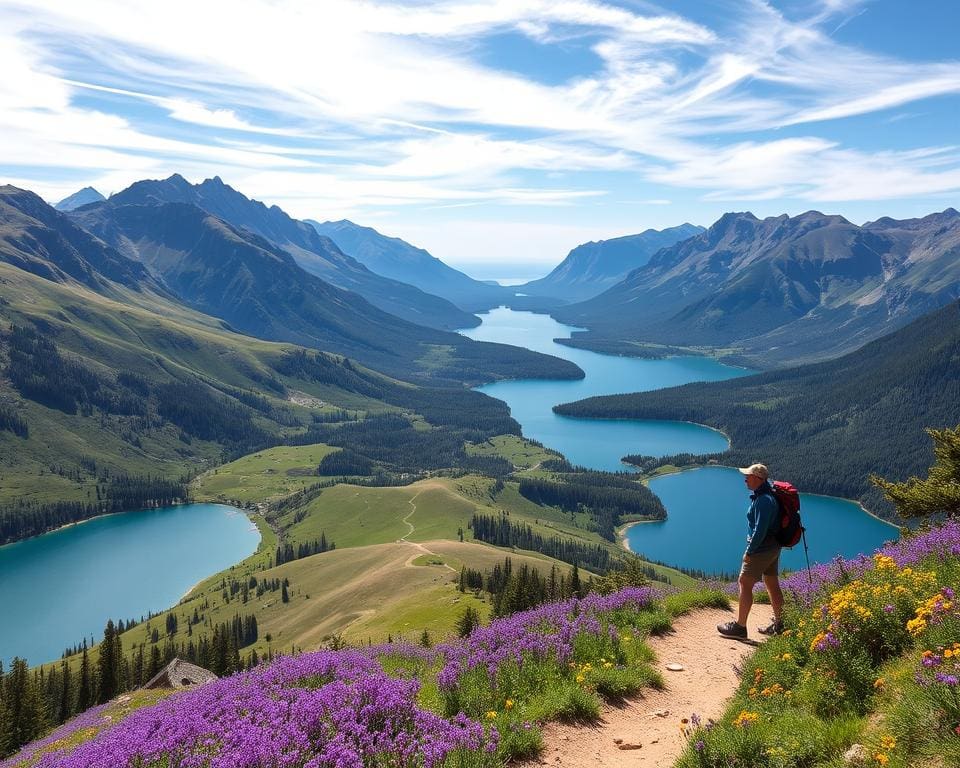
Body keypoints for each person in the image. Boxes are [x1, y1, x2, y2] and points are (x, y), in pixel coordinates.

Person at [717, 463, 784, 639]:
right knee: (771, 583)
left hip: (761, 548)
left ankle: (740, 627)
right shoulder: (767, 496)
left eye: (748, 476)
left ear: (758, 479)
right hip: (773, 547)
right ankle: (781, 624)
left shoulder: (763, 501)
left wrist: (749, 551)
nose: (745, 479)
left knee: (744, 582)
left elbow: (759, 530)